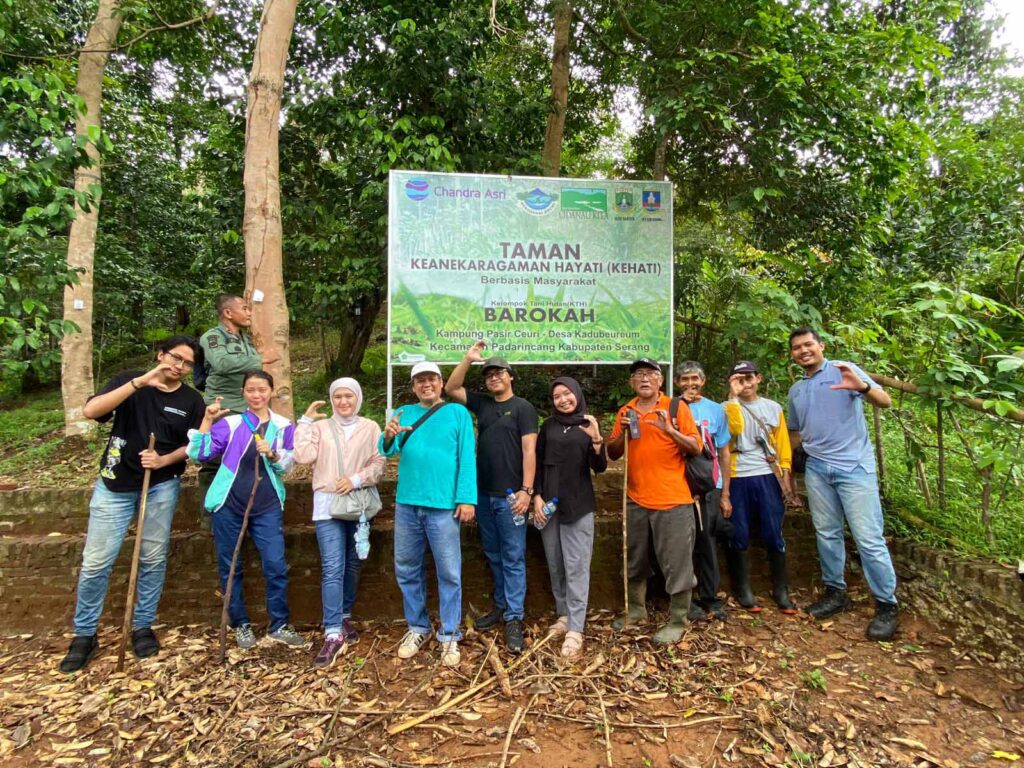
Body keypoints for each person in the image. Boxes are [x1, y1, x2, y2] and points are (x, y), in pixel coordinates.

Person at [59, 336, 206, 673]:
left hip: (160, 486)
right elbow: (92, 410)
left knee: (152, 557)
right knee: (97, 561)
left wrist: (164, 458)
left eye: (186, 363)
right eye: (175, 358)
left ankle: (142, 626)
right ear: (161, 355)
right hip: (115, 483)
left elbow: (195, 443)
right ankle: (84, 634)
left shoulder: (191, 400)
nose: (179, 366)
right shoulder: (130, 380)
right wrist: (139, 383)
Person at [787, 328, 899, 641]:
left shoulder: (843, 370)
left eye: (809, 344)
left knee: (868, 537)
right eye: (797, 348)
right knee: (826, 533)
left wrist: (862, 386)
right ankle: (835, 592)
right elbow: (796, 432)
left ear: (821, 346)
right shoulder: (796, 389)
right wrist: (790, 466)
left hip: (854, 467)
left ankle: (886, 605)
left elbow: (885, 401)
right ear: (793, 355)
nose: (804, 351)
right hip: (817, 469)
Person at [187, 370, 305, 650]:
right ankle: (240, 624)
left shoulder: (284, 425)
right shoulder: (229, 423)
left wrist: (273, 454)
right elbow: (198, 454)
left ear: (271, 392)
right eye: (251, 390)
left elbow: (287, 466)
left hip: (267, 504)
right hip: (229, 503)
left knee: (275, 564)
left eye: (262, 389)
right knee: (230, 566)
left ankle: (279, 624)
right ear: (243, 393)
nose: (256, 395)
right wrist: (207, 419)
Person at [380, 362, 476, 667]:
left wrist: (466, 498)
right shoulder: (403, 413)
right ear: (413, 386)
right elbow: (388, 450)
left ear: (440, 382)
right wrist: (387, 435)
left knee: (449, 571)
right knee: (407, 567)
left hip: (443, 505)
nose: (426, 385)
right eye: (420, 381)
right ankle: (417, 627)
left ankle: (449, 634)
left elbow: (467, 458)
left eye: (431, 379)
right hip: (408, 503)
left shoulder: (457, 413)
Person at [444, 341, 537, 654]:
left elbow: (529, 450)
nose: (494, 378)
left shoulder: (523, 408)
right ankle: (501, 606)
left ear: (511, 376)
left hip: (512, 497)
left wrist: (527, 490)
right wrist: (468, 359)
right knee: (494, 554)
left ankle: (514, 617)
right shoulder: (483, 404)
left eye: (499, 373)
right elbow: (451, 387)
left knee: (513, 556)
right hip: (483, 496)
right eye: (489, 375)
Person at [607, 358, 702, 645]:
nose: (644, 379)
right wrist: (622, 431)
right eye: (638, 375)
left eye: (650, 374)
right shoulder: (626, 411)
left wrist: (670, 430)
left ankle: (678, 619)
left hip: (673, 500)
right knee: (634, 558)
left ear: (660, 381)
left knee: (676, 562)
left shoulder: (676, 407)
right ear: (631, 383)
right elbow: (612, 453)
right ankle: (636, 611)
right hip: (635, 499)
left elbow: (696, 447)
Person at [293, 378, 386, 668]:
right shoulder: (320, 427)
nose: (343, 401)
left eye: (348, 396)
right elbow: (303, 456)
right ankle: (332, 631)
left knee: (354, 561)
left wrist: (356, 479)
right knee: (333, 566)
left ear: (357, 398)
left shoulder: (370, 427)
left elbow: (378, 461)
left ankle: (344, 615)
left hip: (358, 504)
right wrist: (305, 422)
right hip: (327, 505)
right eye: (338, 397)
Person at [533, 377, 607, 658]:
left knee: (577, 567)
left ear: (577, 394)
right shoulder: (549, 426)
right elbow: (537, 462)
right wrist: (537, 495)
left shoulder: (588, 424)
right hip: (548, 506)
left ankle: (577, 627)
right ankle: (564, 615)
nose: (563, 400)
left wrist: (597, 439)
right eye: (557, 396)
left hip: (578, 506)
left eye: (567, 394)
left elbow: (599, 467)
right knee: (556, 565)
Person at [722, 361, 799, 615]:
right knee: (739, 531)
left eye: (748, 377)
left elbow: (782, 444)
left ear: (758, 378)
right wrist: (733, 400)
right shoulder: (725, 408)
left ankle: (781, 588)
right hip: (736, 474)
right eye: (738, 378)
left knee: (772, 531)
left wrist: (785, 471)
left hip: (767, 474)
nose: (744, 383)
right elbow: (733, 431)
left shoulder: (772, 408)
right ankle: (742, 588)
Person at [197, 295, 280, 522]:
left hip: (246, 408)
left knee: (245, 457)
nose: (249, 313)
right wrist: (260, 360)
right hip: (223, 408)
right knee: (214, 461)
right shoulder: (213, 337)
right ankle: (211, 515)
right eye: (245, 308)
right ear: (228, 313)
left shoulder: (245, 339)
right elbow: (222, 363)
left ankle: (240, 511)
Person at [674, 361, 734, 621]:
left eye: (694, 379)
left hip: (709, 485)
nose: (690, 384)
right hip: (678, 486)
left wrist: (725, 493)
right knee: (680, 545)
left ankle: (710, 596)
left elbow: (724, 452)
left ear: (704, 380)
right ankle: (684, 598)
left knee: (707, 542)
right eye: (685, 379)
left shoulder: (716, 411)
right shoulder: (671, 407)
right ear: (677, 383)